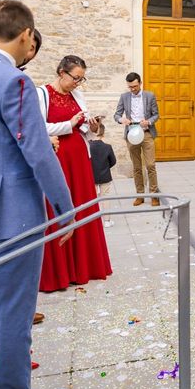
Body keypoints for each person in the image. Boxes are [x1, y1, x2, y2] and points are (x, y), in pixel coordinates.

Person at [0, 0, 75, 389]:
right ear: (25, 35)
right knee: (14, 315)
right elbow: (38, 152)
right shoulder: (13, 81)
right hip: (14, 213)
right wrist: (67, 209)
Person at [37, 55, 113, 292]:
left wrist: (91, 126)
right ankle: (60, 273)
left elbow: (85, 131)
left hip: (79, 159)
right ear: (61, 72)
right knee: (58, 208)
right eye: (75, 78)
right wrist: (68, 125)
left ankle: (84, 267)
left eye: (81, 79)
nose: (78, 84)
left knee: (82, 206)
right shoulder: (43, 94)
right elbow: (38, 127)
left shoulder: (77, 96)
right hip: (57, 157)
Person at [113, 72, 161, 206]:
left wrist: (149, 122)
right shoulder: (124, 97)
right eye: (130, 87)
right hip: (131, 134)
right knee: (137, 166)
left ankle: (154, 195)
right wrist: (121, 119)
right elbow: (116, 115)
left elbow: (156, 115)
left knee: (150, 165)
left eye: (134, 86)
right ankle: (140, 195)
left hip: (146, 133)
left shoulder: (149, 96)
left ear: (140, 83)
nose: (133, 89)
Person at [89, 121, 117, 228]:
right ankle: (107, 221)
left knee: (93, 197)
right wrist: (105, 168)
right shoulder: (107, 147)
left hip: (92, 175)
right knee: (105, 197)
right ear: (103, 133)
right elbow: (113, 161)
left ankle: (94, 219)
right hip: (105, 175)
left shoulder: (88, 146)